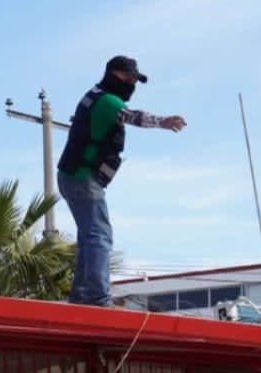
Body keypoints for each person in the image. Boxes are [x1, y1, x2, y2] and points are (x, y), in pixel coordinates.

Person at [57, 55, 186, 307]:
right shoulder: (107, 100)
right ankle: (97, 296)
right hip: (83, 178)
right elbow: (132, 117)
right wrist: (164, 122)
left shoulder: (93, 95)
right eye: (129, 79)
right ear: (115, 75)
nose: (132, 85)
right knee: (99, 235)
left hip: (73, 176)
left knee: (89, 236)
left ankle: (82, 296)